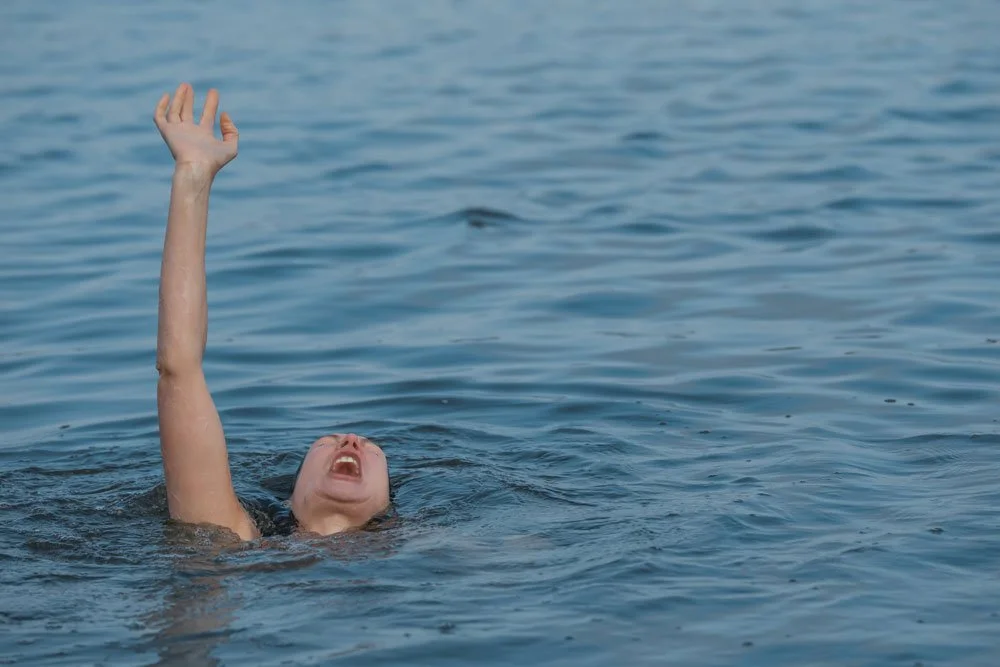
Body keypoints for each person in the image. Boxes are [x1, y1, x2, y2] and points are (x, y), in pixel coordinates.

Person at [153, 83, 390, 540]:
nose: (350, 442)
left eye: (372, 449)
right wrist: (192, 178)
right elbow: (178, 370)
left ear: (387, 500)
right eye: (324, 444)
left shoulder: (448, 556)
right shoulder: (237, 537)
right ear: (293, 492)